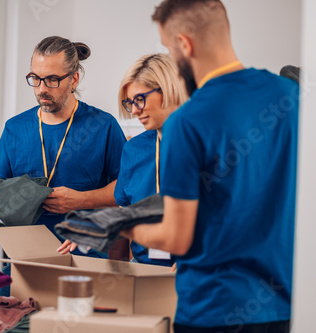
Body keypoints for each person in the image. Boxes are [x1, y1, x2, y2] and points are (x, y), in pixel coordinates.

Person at [120, 1, 298, 332]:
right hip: (281, 307)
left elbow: (176, 238)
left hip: (211, 309)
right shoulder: (292, 97)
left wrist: (118, 226)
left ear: (184, 44)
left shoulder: (187, 122)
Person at [0, 36, 126, 247]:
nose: (42, 88)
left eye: (52, 79)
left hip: (84, 252)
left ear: (74, 80)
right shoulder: (15, 128)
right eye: (35, 78)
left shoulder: (103, 125)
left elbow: (127, 188)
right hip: (25, 252)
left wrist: (82, 200)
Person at [115, 53, 186, 266]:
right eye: (129, 103)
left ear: (169, 89)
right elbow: (124, 214)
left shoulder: (210, 143)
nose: (135, 110)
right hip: (143, 266)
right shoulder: (134, 149)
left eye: (140, 99)